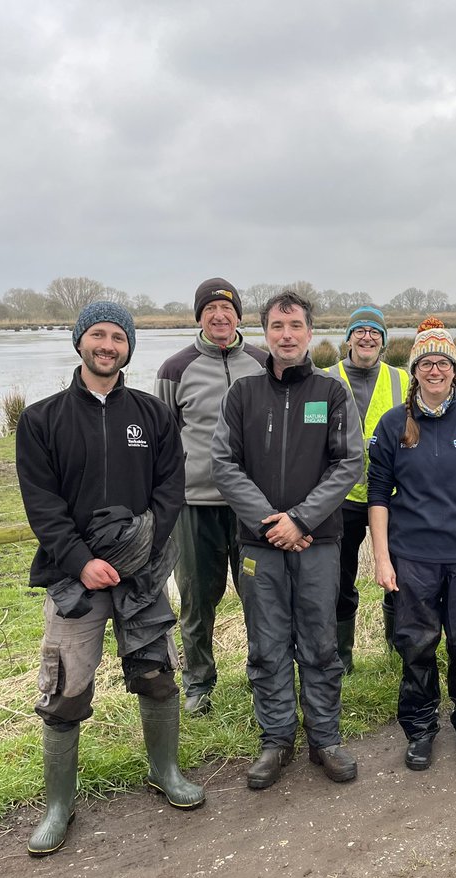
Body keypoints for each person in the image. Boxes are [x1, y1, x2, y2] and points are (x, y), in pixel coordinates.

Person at [17, 301, 204, 856]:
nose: (107, 344)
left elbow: (171, 489)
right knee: (65, 691)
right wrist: (80, 561)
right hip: (74, 580)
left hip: (142, 576)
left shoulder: (152, 415)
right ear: (80, 342)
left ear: (128, 348)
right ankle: (58, 805)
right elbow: (42, 505)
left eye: (117, 336)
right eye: (97, 335)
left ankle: (166, 771)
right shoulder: (41, 420)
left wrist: (138, 549)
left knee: (156, 675)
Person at [212, 290, 362, 790]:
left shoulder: (332, 393)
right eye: (277, 326)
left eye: (295, 325)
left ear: (310, 332)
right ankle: (276, 739)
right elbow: (224, 465)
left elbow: (348, 464)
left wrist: (300, 520)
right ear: (264, 333)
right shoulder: (242, 395)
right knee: (267, 644)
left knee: (320, 642)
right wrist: (269, 522)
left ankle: (326, 737)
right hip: (259, 547)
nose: (286, 335)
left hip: (318, 543)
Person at [367, 317, 456, 771]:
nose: (434, 370)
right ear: (415, 370)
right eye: (425, 363)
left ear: (453, 369)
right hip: (412, 557)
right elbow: (378, 496)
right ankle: (421, 728)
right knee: (417, 646)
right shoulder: (394, 424)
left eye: (442, 362)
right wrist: (382, 560)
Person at [156, 277, 268, 716]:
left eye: (227, 309)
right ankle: (199, 682)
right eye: (209, 310)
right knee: (197, 600)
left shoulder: (263, 361)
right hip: (195, 506)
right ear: (199, 317)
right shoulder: (174, 369)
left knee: (259, 596)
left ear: (239, 315)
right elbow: (162, 440)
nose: (219, 317)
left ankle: (264, 674)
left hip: (252, 507)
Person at [324, 305, 408, 673]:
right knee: (339, 580)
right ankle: (343, 657)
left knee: (400, 577)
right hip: (340, 500)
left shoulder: (404, 380)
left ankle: (397, 647)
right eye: (359, 330)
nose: (367, 336)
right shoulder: (323, 378)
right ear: (348, 337)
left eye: (375, 331)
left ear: (384, 341)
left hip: (392, 497)